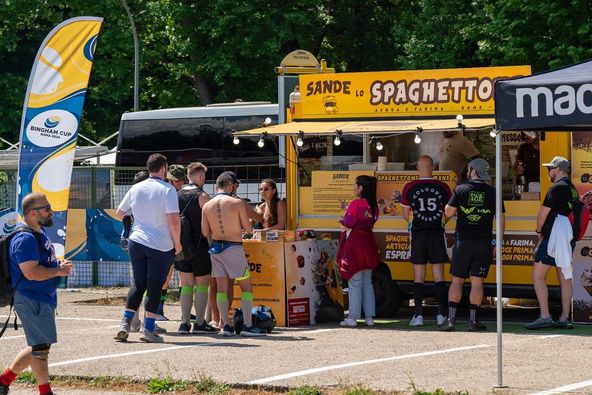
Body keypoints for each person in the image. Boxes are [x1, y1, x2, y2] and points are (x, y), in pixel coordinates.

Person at [0, 193, 73, 395]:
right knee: (40, 349)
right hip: (31, 297)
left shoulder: (38, 232)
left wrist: (58, 265)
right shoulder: (25, 238)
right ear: (33, 213)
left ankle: (4, 380)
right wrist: (58, 271)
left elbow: (41, 265)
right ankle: (45, 392)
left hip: (41, 297)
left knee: (40, 346)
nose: (51, 212)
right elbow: (31, 272)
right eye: (47, 208)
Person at [114, 153, 181, 343]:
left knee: (138, 283)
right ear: (163, 168)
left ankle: (125, 325)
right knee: (154, 287)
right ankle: (148, 329)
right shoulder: (168, 190)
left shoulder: (136, 188)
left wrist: (136, 220)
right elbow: (174, 221)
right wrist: (177, 243)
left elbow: (120, 212)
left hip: (137, 241)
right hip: (160, 244)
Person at [439, 158, 505, 332]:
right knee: (477, 283)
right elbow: (501, 218)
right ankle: (473, 322)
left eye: (469, 170)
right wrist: (498, 242)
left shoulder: (461, 189)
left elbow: (448, 212)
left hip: (463, 242)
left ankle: (451, 320)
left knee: (457, 281)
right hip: (483, 243)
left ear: (473, 171)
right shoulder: (493, 192)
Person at [201, 171, 266, 337]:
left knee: (221, 289)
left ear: (217, 186)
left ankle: (226, 326)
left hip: (215, 249)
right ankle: (247, 325)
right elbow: (249, 229)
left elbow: (205, 231)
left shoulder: (207, 205)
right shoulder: (237, 202)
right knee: (246, 287)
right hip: (234, 248)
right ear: (230, 185)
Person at [525, 156, 577, 330]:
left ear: (558, 170)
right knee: (565, 276)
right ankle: (564, 317)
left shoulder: (555, 188)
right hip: (567, 237)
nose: (548, 172)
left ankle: (545, 316)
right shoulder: (572, 188)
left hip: (553, 237)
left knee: (538, 275)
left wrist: (539, 232)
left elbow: (542, 215)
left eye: (550, 168)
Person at [401, 155, 451, 327]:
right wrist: (440, 221)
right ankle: (441, 315)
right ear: (434, 168)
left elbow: (405, 215)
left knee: (418, 277)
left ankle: (418, 315)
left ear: (417, 169)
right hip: (437, 234)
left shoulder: (409, 187)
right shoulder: (443, 187)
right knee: (439, 276)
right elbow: (449, 212)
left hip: (418, 235)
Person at [176, 162, 219, 334]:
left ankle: (184, 323)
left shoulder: (176, 195)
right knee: (202, 284)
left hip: (181, 247)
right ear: (201, 176)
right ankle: (200, 323)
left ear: (188, 175)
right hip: (200, 247)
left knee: (186, 284)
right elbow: (209, 225)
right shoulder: (203, 196)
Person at [336, 175, 379, 328]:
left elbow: (348, 223)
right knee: (367, 283)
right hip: (369, 245)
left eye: (354, 185)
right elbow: (367, 220)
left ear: (360, 188)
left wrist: (341, 219)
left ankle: (352, 318)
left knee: (354, 283)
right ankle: (369, 318)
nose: (353, 188)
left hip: (355, 246)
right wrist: (346, 209)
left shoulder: (356, 203)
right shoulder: (373, 206)